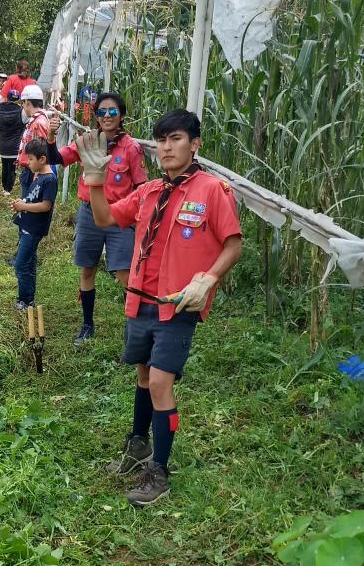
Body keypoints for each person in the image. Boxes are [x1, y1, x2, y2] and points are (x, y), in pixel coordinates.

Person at [76, 109, 242, 506]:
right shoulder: (150, 191)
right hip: (140, 299)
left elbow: (233, 243)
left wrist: (209, 278)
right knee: (143, 375)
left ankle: (159, 471)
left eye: (177, 139)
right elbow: (104, 218)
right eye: (162, 141)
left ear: (195, 143)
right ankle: (137, 445)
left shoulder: (211, 191)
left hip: (178, 303)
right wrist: (95, 182)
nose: (167, 147)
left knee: (161, 383)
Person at [46, 92, 147, 345]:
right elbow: (56, 159)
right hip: (89, 213)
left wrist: (136, 221)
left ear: (121, 115)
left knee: (125, 274)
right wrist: (50, 137)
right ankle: (87, 324)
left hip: (118, 217)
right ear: (96, 116)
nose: (107, 116)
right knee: (87, 269)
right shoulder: (87, 141)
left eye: (112, 111)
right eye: (101, 112)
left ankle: (133, 330)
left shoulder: (132, 148)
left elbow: (141, 187)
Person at [9, 138, 58, 310]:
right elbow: (32, 198)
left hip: (34, 229)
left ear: (42, 159)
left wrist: (23, 206)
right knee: (29, 263)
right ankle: (28, 298)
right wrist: (20, 203)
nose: (27, 162)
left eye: (30, 159)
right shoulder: (37, 175)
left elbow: (46, 205)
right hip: (26, 226)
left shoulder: (49, 179)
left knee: (21, 264)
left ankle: (25, 299)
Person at [16, 84, 50, 198]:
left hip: (32, 171)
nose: (23, 107)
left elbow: (41, 150)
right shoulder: (34, 120)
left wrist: (37, 173)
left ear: (28, 103)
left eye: (23, 103)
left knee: (27, 200)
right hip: (29, 169)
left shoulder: (39, 122)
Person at [0, 88, 24, 195]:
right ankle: (8, 188)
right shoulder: (21, 111)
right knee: (12, 167)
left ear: (7, 98)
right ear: (18, 99)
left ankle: (4, 187)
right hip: (15, 144)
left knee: (5, 166)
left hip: (3, 144)